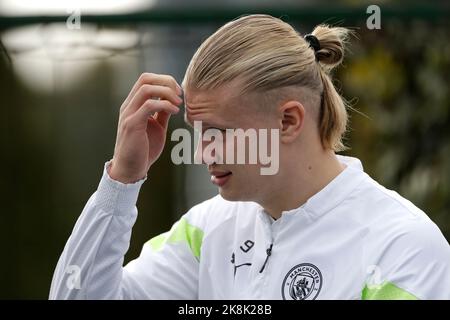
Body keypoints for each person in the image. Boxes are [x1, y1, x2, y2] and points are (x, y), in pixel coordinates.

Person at [49, 14, 450, 300]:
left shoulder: (403, 245)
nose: (202, 152)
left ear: (289, 121)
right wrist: (121, 179)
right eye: (197, 133)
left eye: (217, 133)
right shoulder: (208, 230)